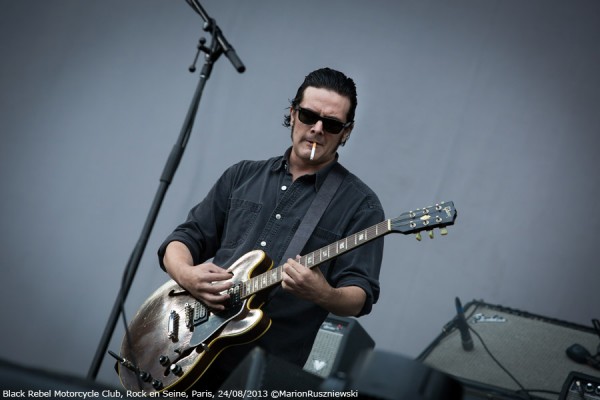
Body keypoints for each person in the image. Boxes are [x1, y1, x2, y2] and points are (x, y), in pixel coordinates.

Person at [157, 67, 384, 389]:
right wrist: (186, 274)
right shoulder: (242, 175)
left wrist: (324, 292)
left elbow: (359, 296)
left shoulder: (361, 205)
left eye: (331, 124)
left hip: (265, 372)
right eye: (308, 115)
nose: (317, 129)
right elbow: (185, 238)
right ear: (292, 114)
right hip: (188, 344)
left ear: (346, 132)